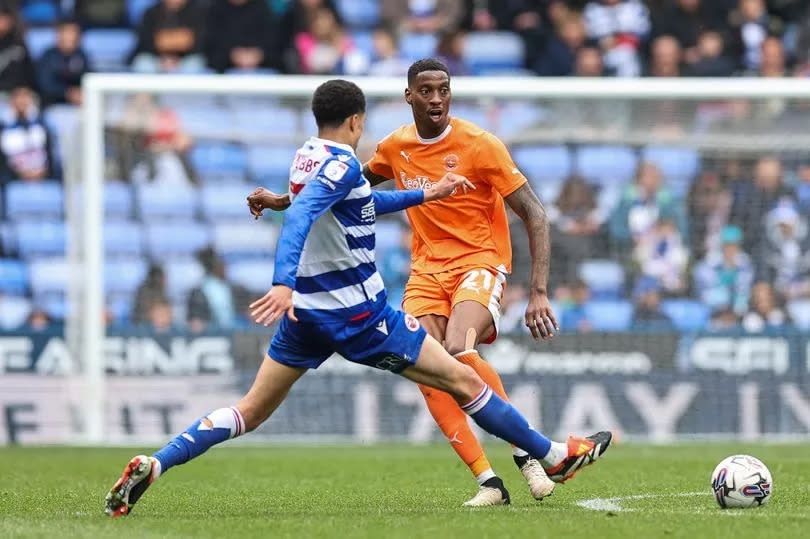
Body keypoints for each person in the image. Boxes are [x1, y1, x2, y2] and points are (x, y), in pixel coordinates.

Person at [104, 79, 612, 518]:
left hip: (309, 315)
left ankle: (159, 461)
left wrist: (426, 193)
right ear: (356, 120)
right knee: (461, 376)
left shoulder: (306, 155)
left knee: (250, 411)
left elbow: (354, 202)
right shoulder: (345, 163)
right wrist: (281, 280)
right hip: (360, 315)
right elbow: (304, 216)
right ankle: (549, 456)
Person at [248, 59, 573, 507]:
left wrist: (538, 292)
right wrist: (281, 200)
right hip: (426, 268)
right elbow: (336, 186)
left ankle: (528, 453)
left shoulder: (482, 145)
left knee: (460, 348)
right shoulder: (396, 146)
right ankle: (489, 483)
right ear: (409, 96)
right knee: (426, 368)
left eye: (443, 90)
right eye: (426, 91)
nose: (436, 99)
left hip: (479, 259)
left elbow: (536, 213)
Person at [129, 0, 206, 73]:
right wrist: (165, 57)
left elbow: (199, 43)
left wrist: (165, 42)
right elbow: (144, 42)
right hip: (157, 59)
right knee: (143, 63)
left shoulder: (198, 13)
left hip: (185, 59)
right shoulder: (151, 13)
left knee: (194, 64)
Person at [205, 0, 282, 73]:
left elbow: (275, 47)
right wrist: (232, 55)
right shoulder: (215, 10)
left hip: (262, 71)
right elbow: (210, 48)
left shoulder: (263, 9)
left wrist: (258, 55)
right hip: (223, 72)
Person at [187, 247, 252, 332]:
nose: (225, 266)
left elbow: (246, 310)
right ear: (213, 265)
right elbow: (195, 319)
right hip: (211, 334)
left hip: (237, 331)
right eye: (221, 263)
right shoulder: (198, 292)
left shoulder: (235, 288)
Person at [0, 86, 54, 183]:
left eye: (25, 97)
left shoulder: (42, 123)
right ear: (12, 101)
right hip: (12, 178)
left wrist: (43, 172)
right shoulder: (4, 126)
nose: (21, 101)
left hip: (42, 174)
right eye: (18, 97)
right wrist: (20, 173)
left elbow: (49, 152)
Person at [36, 18, 91, 106]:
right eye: (67, 32)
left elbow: (88, 78)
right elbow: (45, 84)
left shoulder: (82, 55)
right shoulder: (48, 56)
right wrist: (67, 93)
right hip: (52, 105)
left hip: (78, 105)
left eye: (74, 32)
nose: (71, 36)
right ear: (59, 34)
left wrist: (80, 93)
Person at [0, 3, 36, 92]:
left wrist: (22, 90)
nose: (1, 22)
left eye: (4, 18)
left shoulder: (18, 44)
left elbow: (28, 72)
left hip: (16, 93)